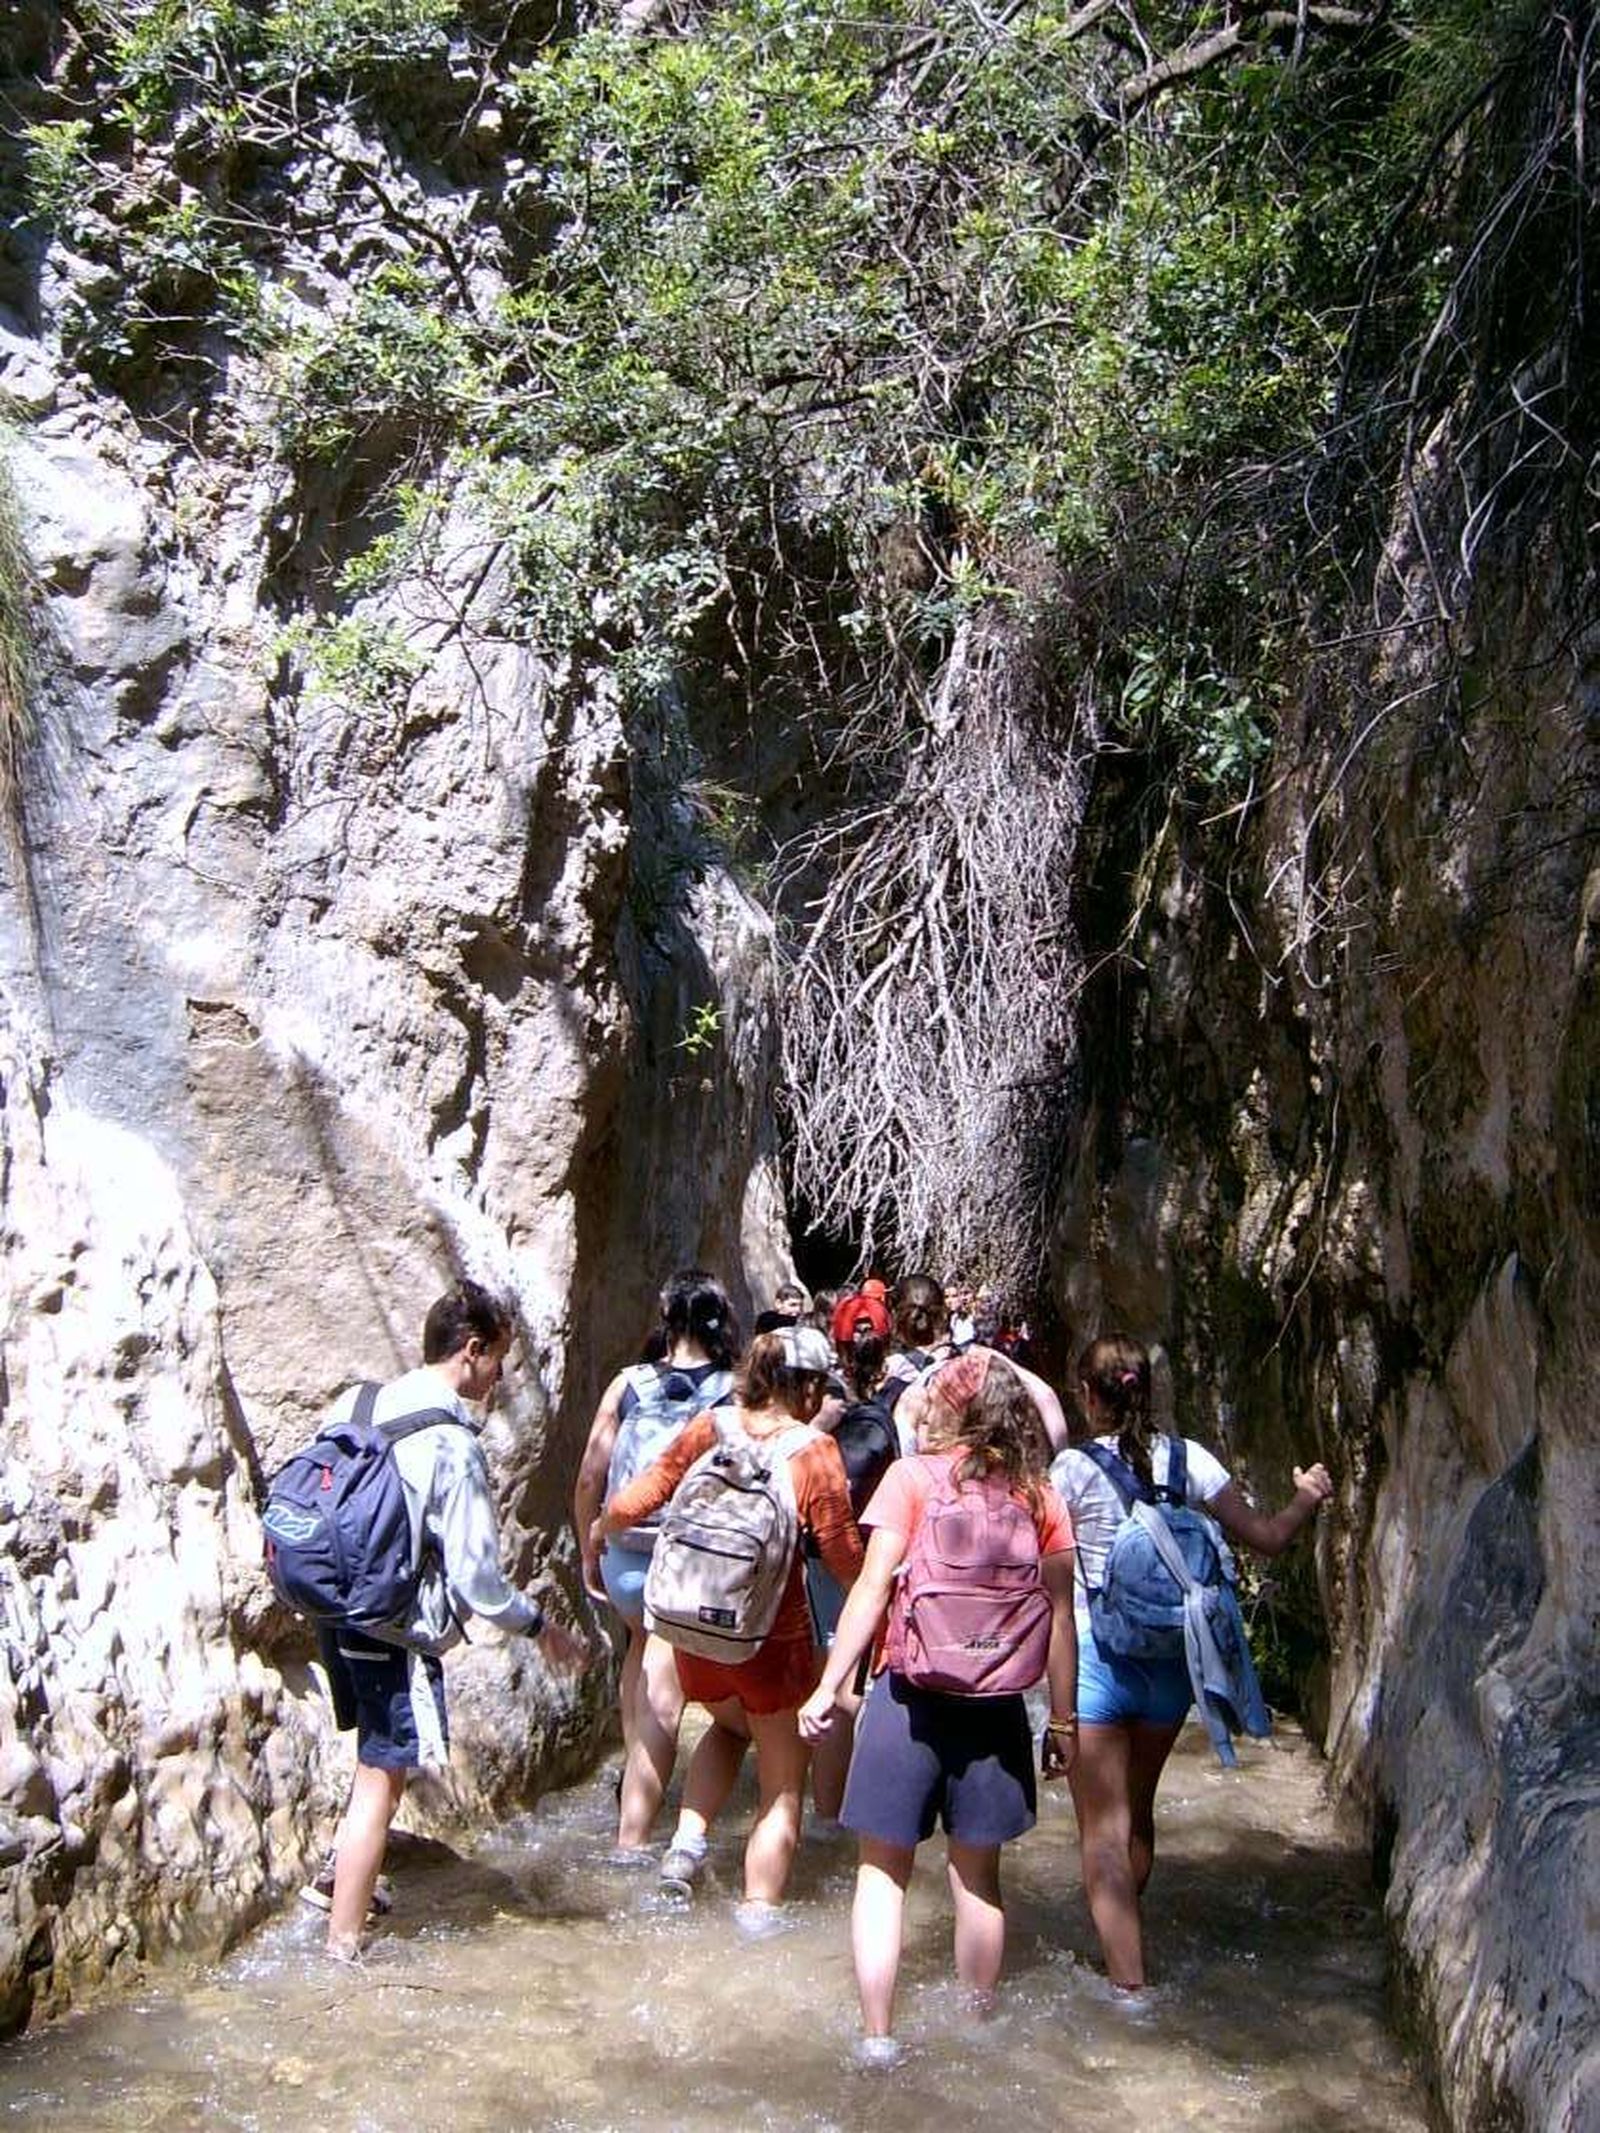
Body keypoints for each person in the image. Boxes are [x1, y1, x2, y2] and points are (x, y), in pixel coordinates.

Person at [798, 1349, 1078, 2064]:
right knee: (979, 1879)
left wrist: (829, 1686)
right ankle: (979, 2027)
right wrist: (1064, 1721)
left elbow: (869, 1588)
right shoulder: (1040, 1494)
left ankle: (877, 2036)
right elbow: (1060, 1614)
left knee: (881, 1873)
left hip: (907, 1696)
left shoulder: (910, 1478)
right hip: (997, 1709)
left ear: (945, 1409)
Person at [307, 1281, 586, 1962]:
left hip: (331, 1607)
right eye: (500, 1361)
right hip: (390, 1624)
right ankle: (343, 1947)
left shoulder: (360, 1400)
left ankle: (339, 1878)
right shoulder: (453, 1444)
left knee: (373, 1750)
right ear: (472, 1350)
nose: (500, 1376)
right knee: (384, 1773)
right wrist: (538, 1626)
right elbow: (478, 1580)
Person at [1049, 1334, 1334, 1991]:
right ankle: (1124, 1939)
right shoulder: (1191, 1459)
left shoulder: (1070, 1472)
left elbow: (1047, 1585)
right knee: (1137, 1813)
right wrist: (1305, 1496)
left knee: (1101, 1832)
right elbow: (1265, 1537)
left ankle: (1128, 1985)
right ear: (1148, 1391)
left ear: (1088, 1396)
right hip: (1175, 1664)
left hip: (1100, 1659)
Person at [596, 1324, 863, 1932]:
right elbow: (843, 1556)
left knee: (726, 1726)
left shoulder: (710, 1427)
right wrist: (883, 1596)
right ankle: (758, 1914)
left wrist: (600, 1529)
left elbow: (646, 1495)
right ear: (808, 1387)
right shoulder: (812, 1452)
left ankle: (686, 1845)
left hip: (694, 1637)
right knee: (781, 1789)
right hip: (771, 1642)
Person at [571, 1270, 738, 1855]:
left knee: (639, 1649)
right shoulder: (731, 1391)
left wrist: (589, 1546)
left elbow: (593, 1472)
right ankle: (634, 1835)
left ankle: (635, 1773)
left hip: (624, 1557)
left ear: (666, 1319)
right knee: (666, 1688)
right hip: (687, 1561)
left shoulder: (629, 1384)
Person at [886, 1273, 1069, 1455]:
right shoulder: (981, 1357)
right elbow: (1044, 1394)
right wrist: (1061, 1460)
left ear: (896, 1319)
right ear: (944, 1312)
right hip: (990, 1470)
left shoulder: (890, 1371)